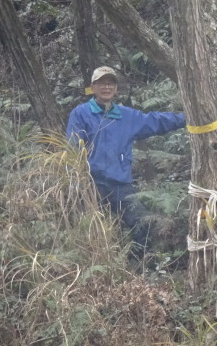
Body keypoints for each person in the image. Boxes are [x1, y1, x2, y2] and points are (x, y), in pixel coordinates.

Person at [66, 66, 186, 252]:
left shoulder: (127, 116)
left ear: (116, 88)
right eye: (101, 83)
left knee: (142, 224)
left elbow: (156, 121)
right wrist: (78, 183)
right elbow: (73, 147)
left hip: (120, 184)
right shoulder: (81, 113)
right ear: (93, 87)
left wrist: (188, 118)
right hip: (90, 184)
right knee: (89, 230)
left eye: (110, 83)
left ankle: (140, 266)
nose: (106, 87)